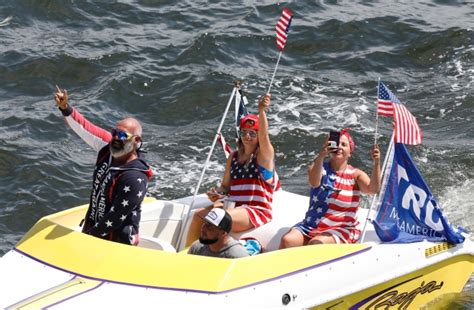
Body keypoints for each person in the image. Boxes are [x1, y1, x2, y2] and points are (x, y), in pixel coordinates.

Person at [54, 86, 152, 245]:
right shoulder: (106, 148)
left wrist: (87, 239)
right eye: (114, 133)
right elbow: (85, 128)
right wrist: (65, 108)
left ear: (136, 141)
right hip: (93, 227)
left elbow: (115, 218)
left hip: (117, 240)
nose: (115, 138)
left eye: (122, 136)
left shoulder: (135, 178)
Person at [186, 93, 277, 246]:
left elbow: (264, 136)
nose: (247, 136)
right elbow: (225, 187)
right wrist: (217, 194)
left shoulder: (263, 156)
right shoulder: (233, 157)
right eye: (244, 132)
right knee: (197, 216)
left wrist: (261, 110)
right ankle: (189, 252)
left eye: (252, 133)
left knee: (220, 217)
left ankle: (206, 253)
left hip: (255, 210)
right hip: (232, 205)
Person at [279, 129, 381, 248]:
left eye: (344, 145)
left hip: (340, 229)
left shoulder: (356, 174)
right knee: (287, 240)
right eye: (336, 144)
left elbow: (373, 189)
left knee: (316, 243)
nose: (339, 147)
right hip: (312, 225)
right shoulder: (320, 168)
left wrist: (377, 163)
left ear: (350, 152)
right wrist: (322, 154)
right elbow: (313, 182)